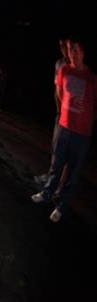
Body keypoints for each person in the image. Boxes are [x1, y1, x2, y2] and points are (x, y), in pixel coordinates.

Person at [31, 36, 96, 223]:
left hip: (82, 134)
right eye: (69, 49)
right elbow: (59, 91)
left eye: (76, 50)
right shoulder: (64, 70)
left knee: (73, 173)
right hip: (64, 127)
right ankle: (46, 193)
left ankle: (61, 205)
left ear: (83, 53)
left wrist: (89, 118)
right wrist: (63, 112)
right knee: (57, 165)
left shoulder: (91, 78)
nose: (72, 53)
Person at [34, 38, 71, 186]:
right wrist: (59, 111)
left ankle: (62, 183)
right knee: (56, 146)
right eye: (61, 45)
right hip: (61, 113)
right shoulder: (60, 64)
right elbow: (57, 89)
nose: (63, 48)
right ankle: (51, 176)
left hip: (73, 116)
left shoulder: (78, 66)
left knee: (68, 150)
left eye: (65, 45)